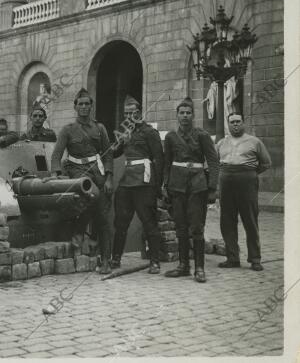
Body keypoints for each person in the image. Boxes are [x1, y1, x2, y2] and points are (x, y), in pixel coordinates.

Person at [50, 88, 114, 274]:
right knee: (92, 195)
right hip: (77, 173)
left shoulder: (100, 129)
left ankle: (105, 260)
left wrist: (109, 178)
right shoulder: (68, 130)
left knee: (103, 216)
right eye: (81, 104)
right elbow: (56, 155)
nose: (84, 107)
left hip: (98, 172)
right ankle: (81, 232)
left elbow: (108, 154)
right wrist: (55, 177)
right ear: (75, 107)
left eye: (87, 104)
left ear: (91, 106)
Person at [163, 97, 219, 283]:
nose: (185, 116)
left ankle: (200, 268)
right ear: (177, 115)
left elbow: (213, 161)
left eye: (188, 113)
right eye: (182, 113)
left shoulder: (202, 135)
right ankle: (183, 266)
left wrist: (212, 187)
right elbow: (166, 163)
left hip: (197, 185)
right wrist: (165, 185)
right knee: (180, 227)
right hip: (177, 185)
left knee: (196, 227)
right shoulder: (171, 137)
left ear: (193, 115)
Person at [110, 95, 164, 274]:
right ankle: (116, 258)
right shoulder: (126, 132)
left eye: (131, 113)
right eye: (126, 113)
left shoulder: (149, 132)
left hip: (144, 181)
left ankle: (155, 261)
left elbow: (159, 159)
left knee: (148, 221)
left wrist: (158, 187)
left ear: (139, 112)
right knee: (121, 222)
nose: (128, 116)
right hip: (127, 181)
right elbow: (114, 153)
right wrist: (118, 142)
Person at [216, 113, 271, 271]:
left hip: (247, 182)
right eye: (232, 122)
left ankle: (255, 259)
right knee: (227, 221)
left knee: (250, 220)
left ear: (243, 123)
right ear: (228, 124)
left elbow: (266, 163)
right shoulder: (221, 143)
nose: (235, 125)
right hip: (226, 182)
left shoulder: (254, 141)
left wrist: (249, 174)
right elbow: (214, 162)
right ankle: (232, 258)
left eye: (238, 122)